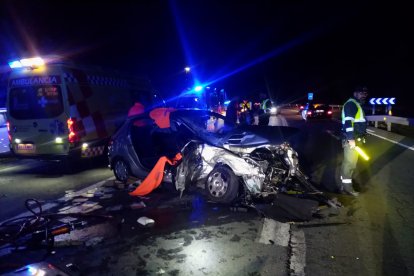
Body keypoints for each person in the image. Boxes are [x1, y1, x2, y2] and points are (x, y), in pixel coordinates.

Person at [339, 86, 369, 196]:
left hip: (355, 139)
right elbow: (348, 122)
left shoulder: (357, 104)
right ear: (355, 93)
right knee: (350, 164)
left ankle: (344, 184)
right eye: (361, 93)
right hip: (352, 140)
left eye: (365, 93)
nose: (364, 95)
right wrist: (351, 138)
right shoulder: (351, 104)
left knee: (348, 163)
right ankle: (347, 188)